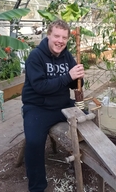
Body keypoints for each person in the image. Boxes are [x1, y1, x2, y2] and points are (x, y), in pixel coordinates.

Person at [22, 19, 84, 192]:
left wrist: (79, 77)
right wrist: (68, 76)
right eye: (57, 36)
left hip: (61, 105)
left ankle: (78, 161)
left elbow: (73, 85)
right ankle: (37, 187)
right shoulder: (36, 56)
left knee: (87, 117)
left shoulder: (67, 55)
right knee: (34, 143)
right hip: (37, 107)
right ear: (48, 35)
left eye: (64, 37)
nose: (60, 41)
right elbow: (40, 87)